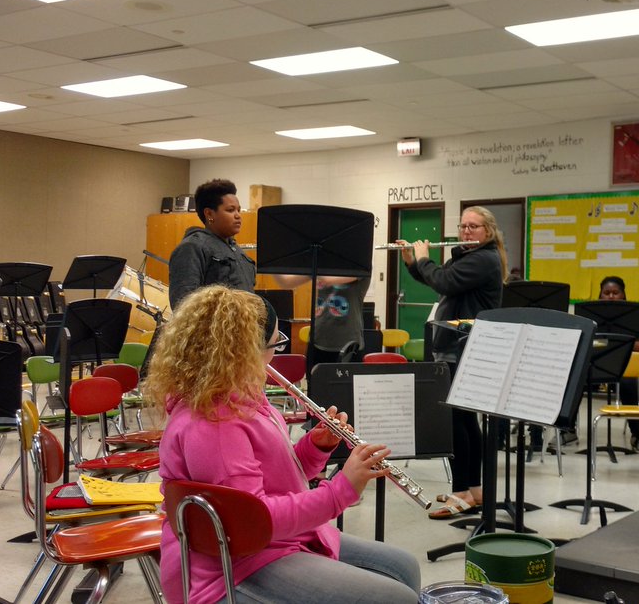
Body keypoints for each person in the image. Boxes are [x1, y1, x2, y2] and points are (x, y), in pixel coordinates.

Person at [144, 285, 420, 604]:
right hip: (237, 565)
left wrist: (315, 447)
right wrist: (342, 488)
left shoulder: (243, 397)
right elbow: (254, 521)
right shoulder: (214, 425)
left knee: (404, 567)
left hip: (277, 541)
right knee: (396, 597)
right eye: (276, 344)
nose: (276, 354)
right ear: (243, 353)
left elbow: (277, 477)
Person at [399, 206, 504, 519]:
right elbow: (440, 281)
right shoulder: (470, 256)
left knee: (456, 423)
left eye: (473, 226)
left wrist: (424, 258)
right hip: (457, 347)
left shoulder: (484, 259)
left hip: (464, 349)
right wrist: (413, 264)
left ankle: (461, 492)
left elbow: (445, 282)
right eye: (463, 226)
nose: (466, 231)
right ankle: (475, 490)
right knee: (465, 421)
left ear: (488, 231)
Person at [168, 179, 256, 310]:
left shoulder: (237, 250)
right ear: (209, 214)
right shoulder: (192, 248)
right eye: (230, 210)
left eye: (238, 210)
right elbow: (183, 306)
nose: (238, 216)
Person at [598, 275, 639, 454]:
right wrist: (625, 342)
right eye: (606, 293)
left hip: (624, 367)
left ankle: (637, 436)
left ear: (623, 295)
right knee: (576, 378)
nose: (611, 296)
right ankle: (567, 432)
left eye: (615, 292)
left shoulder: (635, 314)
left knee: (629, 383)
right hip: (597, 366)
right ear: (600, 295)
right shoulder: (592, 313)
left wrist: (612, 342)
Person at [275, 275, 370, 368]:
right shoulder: (320, 268)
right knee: (315, 379)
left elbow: (327, 279)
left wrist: (315, 269)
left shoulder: (360, 268)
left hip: (349, 345)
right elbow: (285, 283)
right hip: (318, 340)